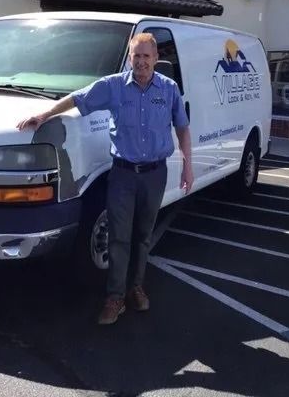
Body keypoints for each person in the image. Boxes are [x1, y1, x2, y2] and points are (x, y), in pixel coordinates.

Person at [17, 33, 193, 325]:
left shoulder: (169, 88)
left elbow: (183, 128)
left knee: (143, 235)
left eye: (147, 57)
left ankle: (136, 287)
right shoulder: (113, 87)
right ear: (130, 58)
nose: (141, 62)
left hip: (155, 174)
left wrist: (187, 166)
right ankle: (114, 298)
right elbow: (78, 98)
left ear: (155, 59)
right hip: (123, 174)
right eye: (136, 56)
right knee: (119, 237)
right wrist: (44, 114)